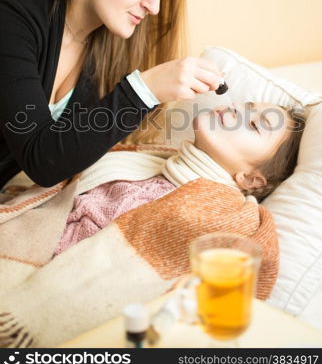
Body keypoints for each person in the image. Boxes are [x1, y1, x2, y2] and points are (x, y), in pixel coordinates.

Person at [0, 0, 225, 190]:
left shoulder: (107, 50)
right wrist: (144, 90)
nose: (154, 6)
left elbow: (65, 153)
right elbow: (42, 160)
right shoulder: (11, 18)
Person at [54, 101, 305, 255]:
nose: (234, 108)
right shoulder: (150, 162)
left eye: (253, 125)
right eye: (246, 105)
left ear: (250, 179)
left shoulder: (209, 216)